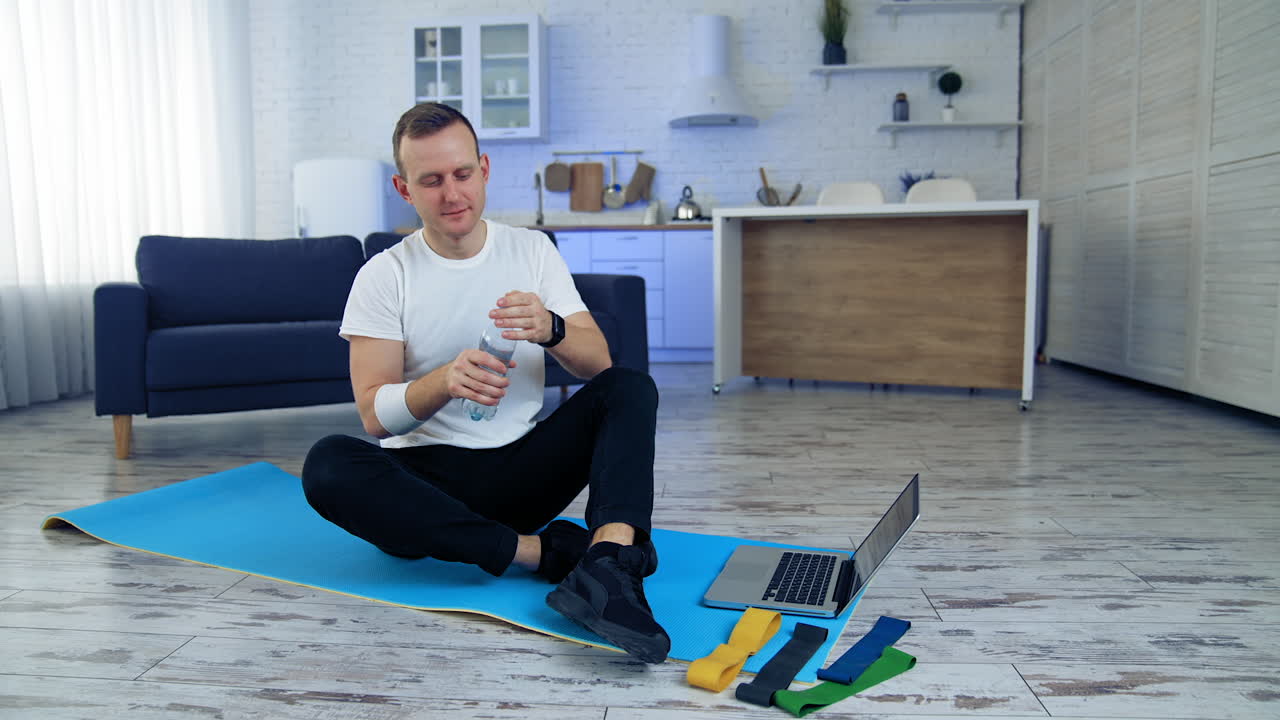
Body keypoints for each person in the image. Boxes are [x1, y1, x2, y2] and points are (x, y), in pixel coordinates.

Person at [300, 102, 669, 664]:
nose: (452, 194)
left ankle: (609, 565)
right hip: (424, 486)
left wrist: (550, 328)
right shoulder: (384, 275)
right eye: (431, 181)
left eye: (462, 174)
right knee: (327, 463)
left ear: (485, 169)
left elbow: (598, 365)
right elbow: (374, 416)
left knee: (631, 386)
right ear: (405, 189)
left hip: (521, 470)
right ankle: (539, 554)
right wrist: (444, 381)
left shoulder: (532, 250)